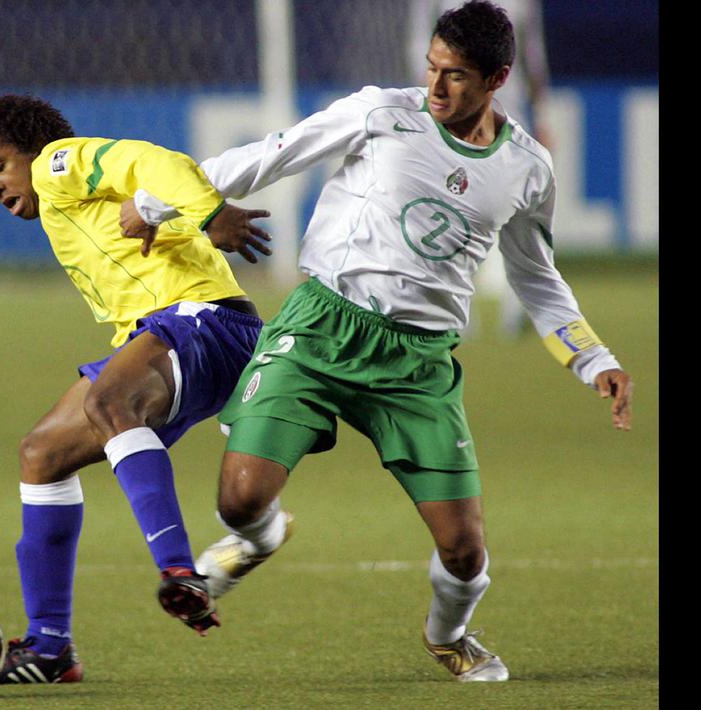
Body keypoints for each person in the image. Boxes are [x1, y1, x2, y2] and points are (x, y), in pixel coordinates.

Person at [123, 0, 632, 682]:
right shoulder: (378, 112)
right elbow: (269, 155)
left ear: (497, 78)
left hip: (416, 365)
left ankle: (447, 633)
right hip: (320, 326)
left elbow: (535, 277)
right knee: (238, 500)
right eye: (431, 68)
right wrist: (159, 201)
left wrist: (592, 357)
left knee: (463, 552)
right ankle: (262, 536)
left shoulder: (526, 168)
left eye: (455, 75)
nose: (436, 87)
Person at [0, 95, 272, 685]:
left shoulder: (57, 163)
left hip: (205, 321)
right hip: (171, 337)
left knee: (106, 403)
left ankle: (180, 572)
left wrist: (211, 213)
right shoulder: (57, 208)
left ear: (29, 148)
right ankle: (50, 647)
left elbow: (156, 161)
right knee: (41, 455)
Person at [408, 0, 554, 340]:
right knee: (453, 210)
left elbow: (532, 54)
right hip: (451, 118)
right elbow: (418, 44)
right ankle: (455, 311)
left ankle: (517, 309)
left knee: (514, 213)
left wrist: (543, 116)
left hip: (508, 115)